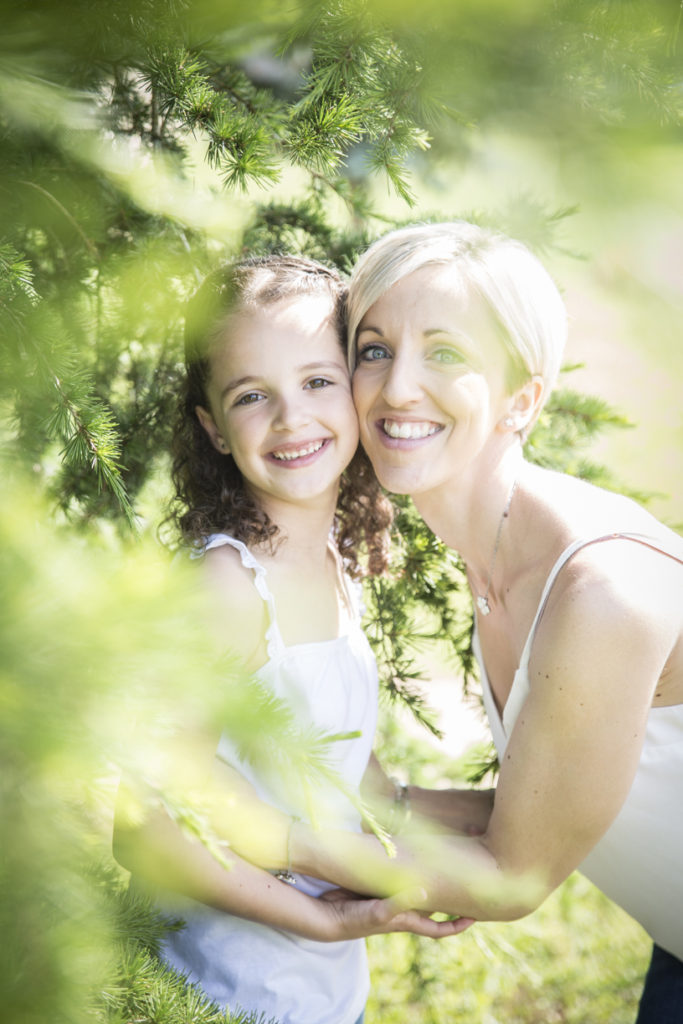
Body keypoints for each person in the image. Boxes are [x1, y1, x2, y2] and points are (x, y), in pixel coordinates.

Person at [262, 223, 682, 1022]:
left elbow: (514, 873)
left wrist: (270, 843)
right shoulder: (494, 546)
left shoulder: (596, 593)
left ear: (522, 397)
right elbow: (544, 804)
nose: (395, 389)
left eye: (446, 353)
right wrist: (374, 795)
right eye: (374, 349)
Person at [113, 254, 470, 1024]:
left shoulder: (329, 559)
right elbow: (146, 829)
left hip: (315, 992)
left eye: (316, 381)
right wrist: (329, 915)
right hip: (213, 988)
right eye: (251, 397)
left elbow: (356, 786)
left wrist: (496, 826)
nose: (291, 419)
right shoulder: (226, 586)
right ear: (211, 427)